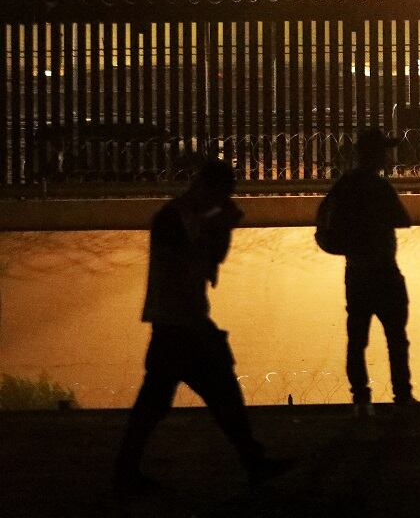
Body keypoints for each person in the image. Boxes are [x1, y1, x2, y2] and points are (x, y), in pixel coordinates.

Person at [113, 160, 290, 494]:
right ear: (208, 188)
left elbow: (207, 266)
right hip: (181, 322)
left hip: (178, 321)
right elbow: (191, 265)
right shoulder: (174, 219)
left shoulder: (182, 217)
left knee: (163, 401)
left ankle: (126, 471)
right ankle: (253, 461)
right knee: (216, 394)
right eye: (221, 195)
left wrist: (220, 230)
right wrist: (219, 229)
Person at [324, 128, 414, 417]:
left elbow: (324, 218)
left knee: (357, 340)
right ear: (376, 154)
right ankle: (402, 397)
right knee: (396, 339)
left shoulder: (344, 185)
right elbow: (403, 219)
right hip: (385, 271)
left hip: (357, 272)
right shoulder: (379, 186)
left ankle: (361, 399)